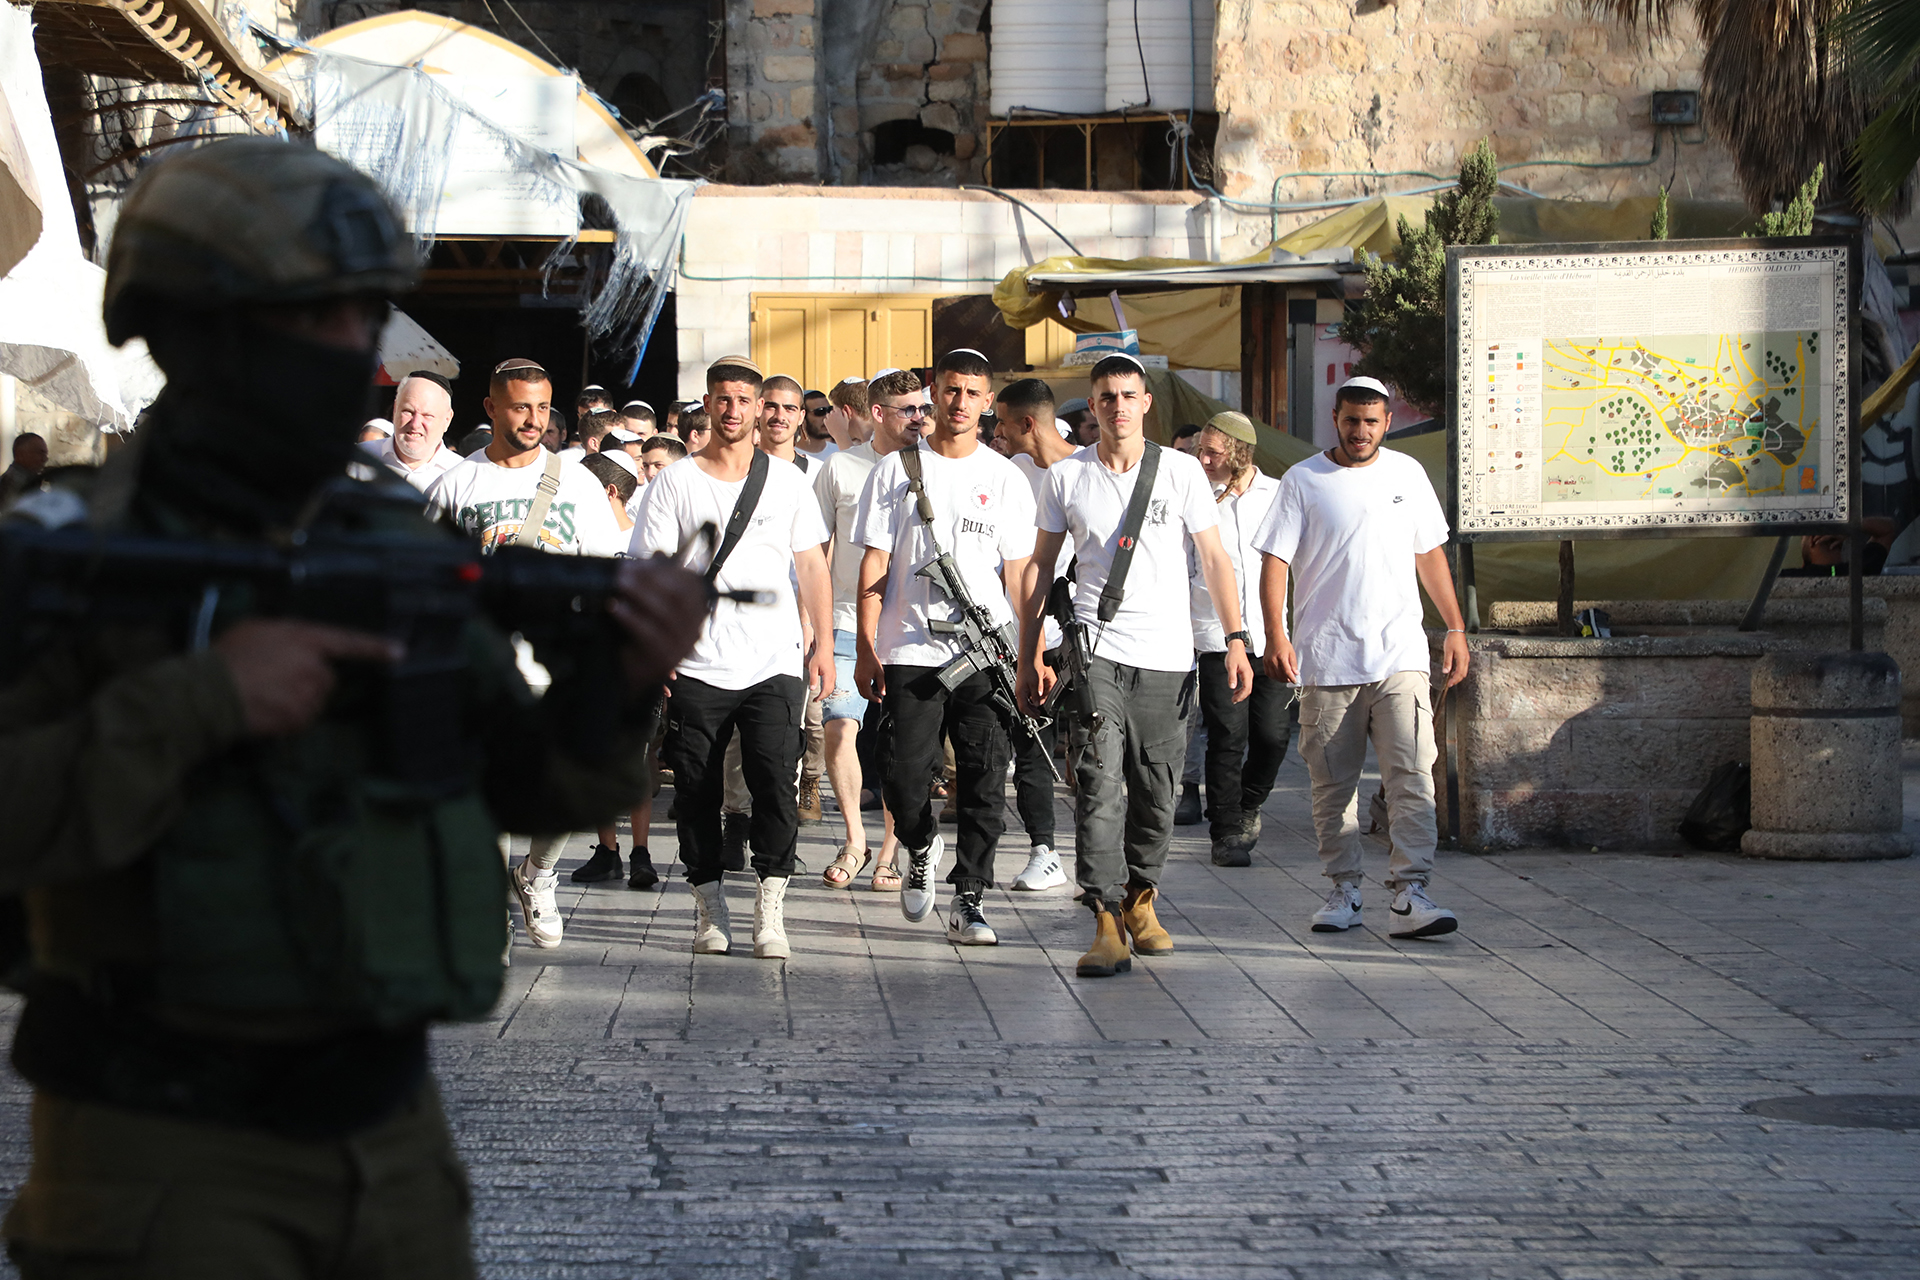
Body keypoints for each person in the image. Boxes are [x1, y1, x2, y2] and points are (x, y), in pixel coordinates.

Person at [0, 136, 706, 1280]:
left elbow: (534, 781)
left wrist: (616, 675)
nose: (349, 353)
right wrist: (207, 698)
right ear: (196, 328)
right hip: (161, 1156)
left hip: (386, 1146)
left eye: (355, 316)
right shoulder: (69, 558)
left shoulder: (381, 540)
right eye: (308, 317)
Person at [1018, 354, 1253, 979]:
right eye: (1105, 397)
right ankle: (1104, 918)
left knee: (1157, 792)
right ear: (1091, 407)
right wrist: (1029, 650)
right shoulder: (1067, 477)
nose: (1117, 406)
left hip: (1168, 659)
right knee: (1098, 783)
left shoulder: (1178, 472)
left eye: (1128, 395)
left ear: (1146, 403)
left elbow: (1215, 558)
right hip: (1096, 650)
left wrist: (1234, 638)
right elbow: (1041, 566)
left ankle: (1142, 896)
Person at [632, 356, 835, 960]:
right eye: (724, 399)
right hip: (697, 660)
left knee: (776, 782)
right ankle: (708, 901)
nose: (735, 411)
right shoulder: (677, 481)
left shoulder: (788, 480)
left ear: (758, 408)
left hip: (773, 657)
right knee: (695, 790)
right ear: (709, 404)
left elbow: (812, 566)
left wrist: (822, 643)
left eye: (746, 401)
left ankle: (770, 906)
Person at [1254, 375, 1467, 939]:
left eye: (1372, 422)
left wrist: (1455, 627)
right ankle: (1344, 889)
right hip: (1326, 661)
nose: (1361, 432)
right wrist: (1276, 636)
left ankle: (1410, 893)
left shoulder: (1407, 475)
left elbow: (1430, 555)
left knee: (1412, 775)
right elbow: (1274, 562)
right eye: (1352, 421)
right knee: (1333, 785)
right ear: (1335, 418)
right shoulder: (1304, 480)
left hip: (1400, 654)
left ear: (1387, 423)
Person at [425, 360, 627, 950]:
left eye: (542, 407)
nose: (535, 419)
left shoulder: (577, 481)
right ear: (490, 410)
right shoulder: (457, 486)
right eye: (520, 407)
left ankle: (536, 876)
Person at [855, 349, 1034, 944]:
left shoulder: (1006, 477)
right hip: (909, 647)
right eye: (950, 390)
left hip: (985, 652)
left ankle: (971, 897)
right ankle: (921, 844)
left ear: (988, 402)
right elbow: (875, 564)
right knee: (903, 776)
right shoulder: (896, 469)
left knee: (984, 776)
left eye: (972, 393)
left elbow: (1019, 573)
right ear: (935, 394)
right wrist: (865, 643)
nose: (960, 403)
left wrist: (1033, 651)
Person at [810, 370, 919, 892]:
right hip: (849, 623)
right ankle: (856, 838)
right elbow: (818, 550)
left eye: (923, 409)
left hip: (911, 628)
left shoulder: (932, 467)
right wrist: (817, 628)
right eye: (907, 409)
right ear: (878, 413)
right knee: (839, 728)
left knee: (902, 743)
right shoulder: (840, 469)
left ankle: (893, 852)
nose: (919, 418)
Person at [1188, 412, 1291, 867]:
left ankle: (1249, 803)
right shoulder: (1195, 496)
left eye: (1213, 451)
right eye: (1201, 450)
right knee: (1228, 734)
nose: (1204, 459)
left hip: (1270, 634)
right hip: (1215, 634)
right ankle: (1226, 830)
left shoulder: (1278, 494)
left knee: (1273, 734)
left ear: (1240, 454)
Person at [991, 379, 1075, 892]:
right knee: (1031, 741)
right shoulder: (1009, 474)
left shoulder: (1087, 470)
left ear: (1027, 423)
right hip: (1023, 633)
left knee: (1089, 751)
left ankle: (1103, 855)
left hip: (1082, 635)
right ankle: (1044, 849)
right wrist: (1029, 642)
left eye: (1001, 422)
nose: (994, 433)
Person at [570, 451, 666, 890]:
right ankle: (608, 851)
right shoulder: (578, 535)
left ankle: (640, 852)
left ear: (609, 490)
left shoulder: (642, 539)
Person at [364, 371, 461, 492]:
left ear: (447, 420)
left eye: (427, 415)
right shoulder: (357, 459)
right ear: (395, 410)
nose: (415, 424)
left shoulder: (463, 474)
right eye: (408, 412)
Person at [0, 431, 48, 507]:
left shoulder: (30, 481)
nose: (45, 459)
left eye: (45, 454)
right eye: (40, 453)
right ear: (21, 454)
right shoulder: (10, 483)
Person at [799, 388, 838, 459]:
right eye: (820, 412)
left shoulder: (839, 452)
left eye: (829, 410)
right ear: (802, 416)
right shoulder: (788, 456)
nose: (826, 416)